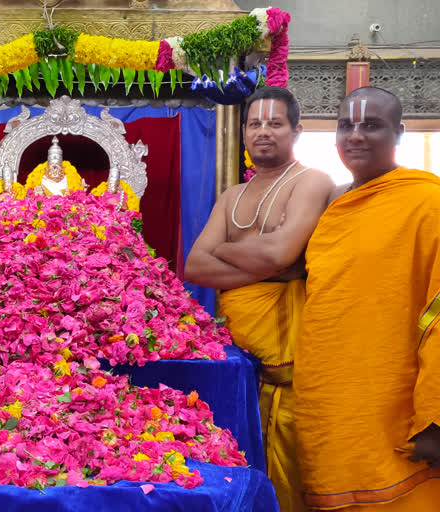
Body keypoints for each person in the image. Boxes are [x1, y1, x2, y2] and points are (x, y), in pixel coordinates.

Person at [183, 86, 334, 511]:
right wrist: (270, 260)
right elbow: (195, 265)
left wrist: (230, 251)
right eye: (254, 124)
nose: (262, 131)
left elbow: (279, 253)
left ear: (296, 130)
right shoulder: (233, 196)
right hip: (240, 362)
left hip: (293, 369)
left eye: (274, 123)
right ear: (244, 133)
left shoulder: (311, 181)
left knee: (297, 473)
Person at [294, 87, 440, 510]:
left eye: (371, 125)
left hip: (396, 407)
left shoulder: (427, 202)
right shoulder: (335, 206)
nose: (355, 136)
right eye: (346, 125)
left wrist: (434, 418)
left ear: (399, 133)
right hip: (333, 399)